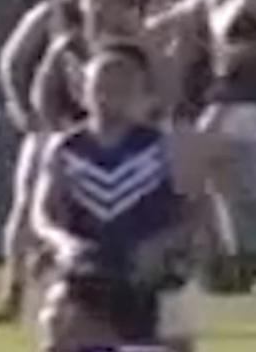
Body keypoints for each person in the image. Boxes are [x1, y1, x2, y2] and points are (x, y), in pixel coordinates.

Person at [30, 43, 203, 352]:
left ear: (142, 94)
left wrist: (162, 244)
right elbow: (42, 213)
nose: (110, 95)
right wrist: (63, 243)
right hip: (88, 268)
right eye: (101, 85)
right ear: (83, 91)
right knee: (57, 321)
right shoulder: (66, 148)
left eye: (122, 86)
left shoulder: (164, 146)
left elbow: (194, 211)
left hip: (151, 273)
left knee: (172, 331)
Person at [0, 0, 106, 322]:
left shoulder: (112, 12)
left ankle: (89, 295)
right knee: (26, 206)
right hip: (52, 123)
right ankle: (14, 290)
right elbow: (12, 59)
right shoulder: (52, 12)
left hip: (97, 127)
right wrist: (23, 109)